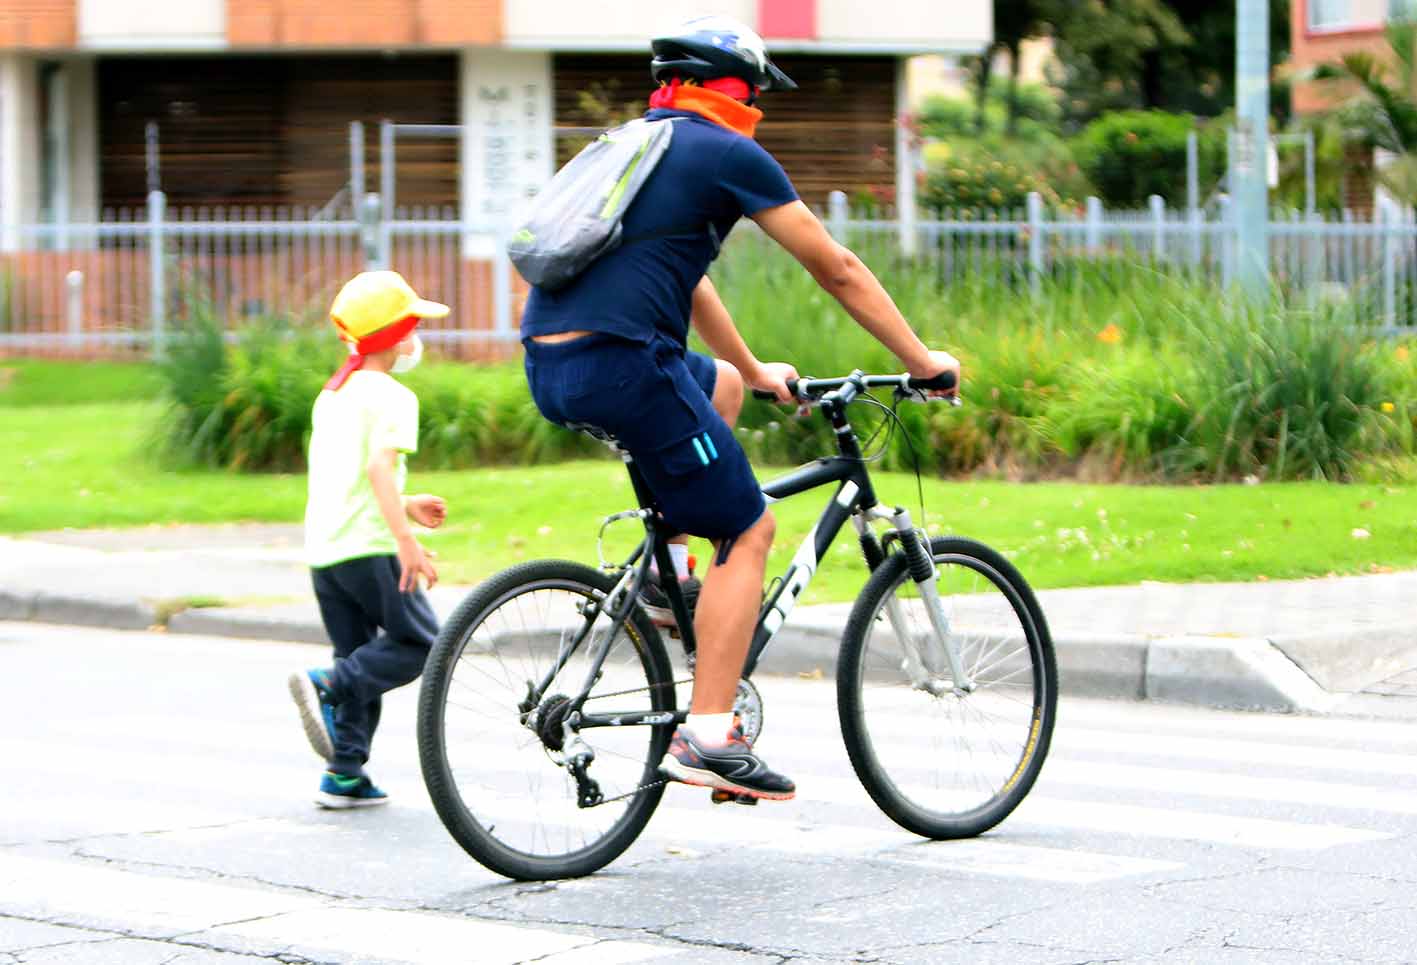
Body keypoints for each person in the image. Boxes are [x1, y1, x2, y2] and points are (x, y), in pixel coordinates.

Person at [519, 16, 961, 802]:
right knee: (749, 525)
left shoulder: (637, 147)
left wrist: (753, 371)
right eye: (756, 96)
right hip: (627, 365)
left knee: (717, 384)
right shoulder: (725, 150)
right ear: (739, 91)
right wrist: (921, 363)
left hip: (554, 361)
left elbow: (686, 278)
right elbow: (839, 268)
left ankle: (669, 579)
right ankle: (709, 734)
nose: (758, 109)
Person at [288, 270, 449, 809]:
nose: (416, 341)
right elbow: (380, 469)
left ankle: (345, 772)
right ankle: (330, 683)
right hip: (371, 546)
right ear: (398, 337)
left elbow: (350, 477)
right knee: (422, 643)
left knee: (360, 654)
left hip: (327, 552)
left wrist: (406, 505)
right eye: (413, 328)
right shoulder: (393, 397)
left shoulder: (333, 395)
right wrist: (404, 538)